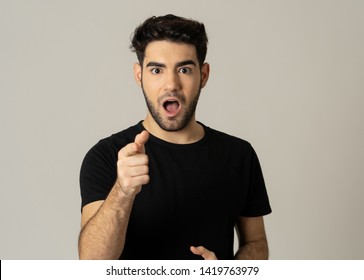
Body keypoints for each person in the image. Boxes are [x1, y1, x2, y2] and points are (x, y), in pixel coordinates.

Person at [78, 14, 272, 260]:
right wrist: (123, 191)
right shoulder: (107, 157)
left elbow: (256, 242)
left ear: (203, 75)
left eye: (184, 69)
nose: (171, 84)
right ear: (139, 76)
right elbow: (92, 263)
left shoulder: (239, 155)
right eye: (157, 70)